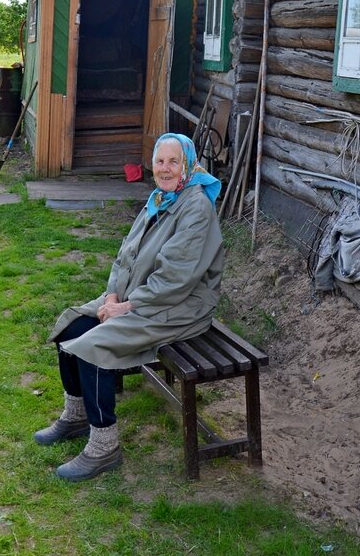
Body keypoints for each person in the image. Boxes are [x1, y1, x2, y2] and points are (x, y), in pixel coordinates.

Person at [34, 132, 224, 482]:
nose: (165, 169)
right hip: (135, 294)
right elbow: (125, 255)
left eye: (173, 162)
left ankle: (104, 448)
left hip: (180, 306)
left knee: (95, 347)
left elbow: (176, 279)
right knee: (73, 326)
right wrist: (110, 297)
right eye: (159, 161)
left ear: (188, 165)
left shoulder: (195, 205)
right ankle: (76, 416)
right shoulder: (162, 197)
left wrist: (128, 306)